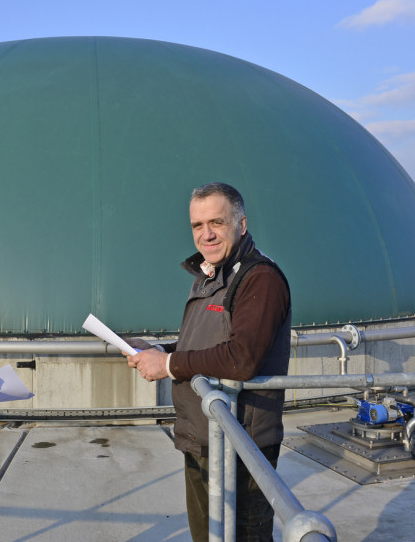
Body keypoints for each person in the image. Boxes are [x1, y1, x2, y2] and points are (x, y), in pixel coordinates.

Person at [124, 182, 291, 541]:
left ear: (241, 225)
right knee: (206, 536)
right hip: (202, 434)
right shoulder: (209, 275)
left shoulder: (259, 279)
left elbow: (241, 358)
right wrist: (156, 350)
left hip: (242, 444)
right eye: (197, 226)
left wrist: (168, 365)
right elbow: (203, 343)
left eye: (216, 222)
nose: (206, 234)